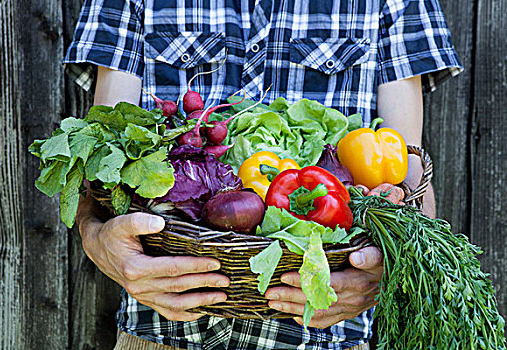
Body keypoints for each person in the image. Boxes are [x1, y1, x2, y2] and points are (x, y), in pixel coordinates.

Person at [64, 0, 462, 348]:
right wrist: (96, 238)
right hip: (159, 336)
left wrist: (381, 272)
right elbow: (103, 167)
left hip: (323, 341)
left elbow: (407, 189)